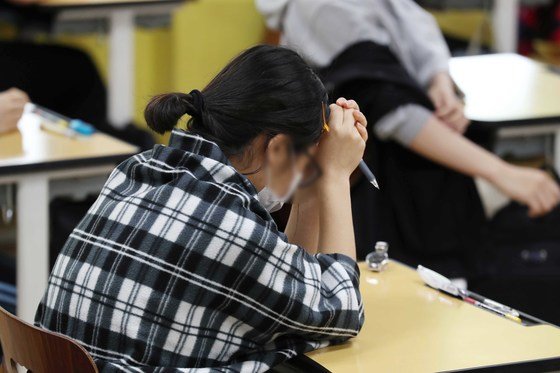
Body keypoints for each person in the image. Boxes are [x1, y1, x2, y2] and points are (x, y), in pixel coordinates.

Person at [35, 45, 366, 372]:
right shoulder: (229, 226)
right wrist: (334, 176)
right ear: (278, 147)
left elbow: (290, 295)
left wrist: (310, 182)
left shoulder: (138, 170)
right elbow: (343, 310)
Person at [257, 0, 560, 276]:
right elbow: (394, 112)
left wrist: (437, 79)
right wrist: (502, 172)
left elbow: (416, 27)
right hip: (387, 196)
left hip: (413, 184)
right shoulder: (325, 9)